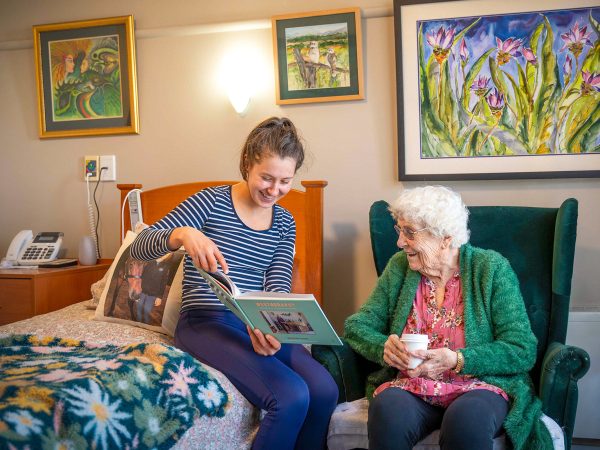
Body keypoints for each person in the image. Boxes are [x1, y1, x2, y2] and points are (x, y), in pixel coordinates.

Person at [130, 117, 338, 450]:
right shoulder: (209, 202)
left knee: (325, 390)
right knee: (291, 396)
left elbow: (277, 283)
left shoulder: (285, 220)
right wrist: (182, 234)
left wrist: (272, 328)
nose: (274, 190)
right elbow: (138, 248)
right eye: (266, 178)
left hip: (254, 322)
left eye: (285, 181)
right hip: (205, 321)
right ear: (247, 164)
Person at [344, 186, 552, 450]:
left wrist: (458, 360)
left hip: (480, 387)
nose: (399, 242)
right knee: (388, 410)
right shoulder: (400, 267)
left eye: (409, 232)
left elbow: (522, 348)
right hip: (413, 386)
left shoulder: (491, 269)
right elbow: (357, 326)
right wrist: (384, 347)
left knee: (466, 421)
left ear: (444, 238)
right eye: (399, 230)